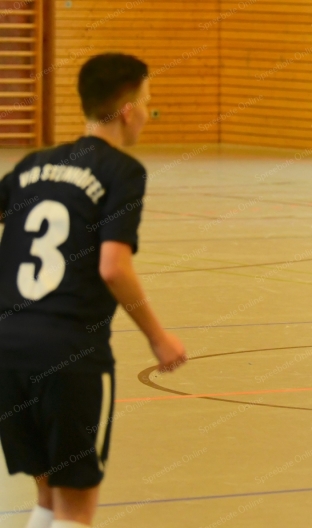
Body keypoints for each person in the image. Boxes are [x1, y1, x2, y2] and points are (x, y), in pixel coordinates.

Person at [0, 53, 187, 528]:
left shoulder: (33, 164)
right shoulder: (122, 172)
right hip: (69, 355)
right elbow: (112, 267)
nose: (147, 113)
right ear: (126, 110)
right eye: (146, 101)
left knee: (47, 498)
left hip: (8, 351)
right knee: (76, 509)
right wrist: (158, 337)